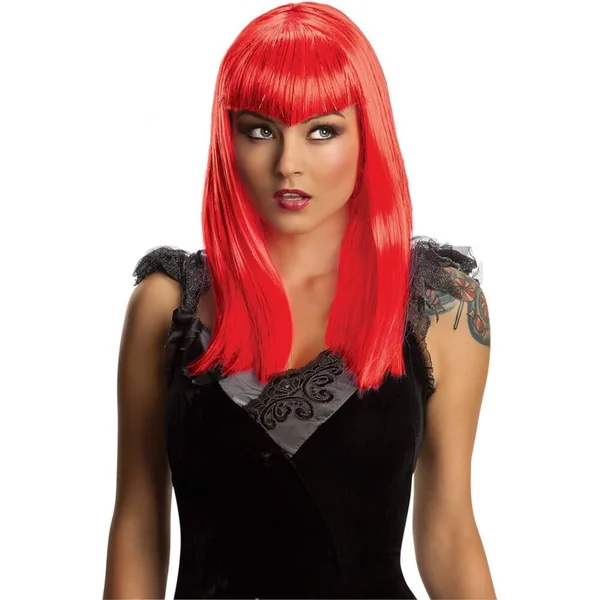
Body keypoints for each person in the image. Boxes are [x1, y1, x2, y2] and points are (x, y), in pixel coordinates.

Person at [103, 2, 495, 598]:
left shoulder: (442, 307)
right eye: (260, 130)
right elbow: (138, 526)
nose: (288, 164)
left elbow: (449, 531)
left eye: (322, 131)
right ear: (228, 137)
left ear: (367, 135)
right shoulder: (166, 305)